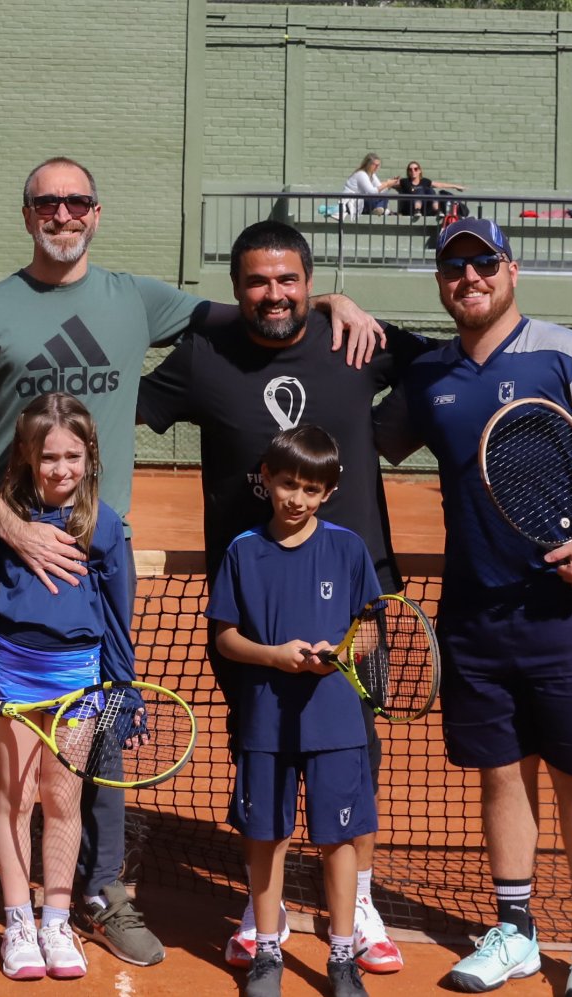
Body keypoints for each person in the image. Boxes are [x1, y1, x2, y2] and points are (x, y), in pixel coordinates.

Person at [0, 156, 382, 968]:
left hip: (92, 551)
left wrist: (330, 300)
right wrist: (13, 527)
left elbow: (254, 307)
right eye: (47, 203)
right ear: (27, 213)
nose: (62, 214)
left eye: (77, 202)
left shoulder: (136, 299)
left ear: (96, 214)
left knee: (95, 724)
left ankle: (95, 890)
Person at [374, 218, 572, 997]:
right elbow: (369, 440)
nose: (469, 276)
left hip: (571, 615)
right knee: (501, 774)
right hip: (475, 615)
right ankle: (516, 930)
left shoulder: (570, 356)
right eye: (453, 266)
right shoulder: (429, 377)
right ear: (441, 281)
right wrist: (338, 314)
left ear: (511, 268)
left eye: (483, 262)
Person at [138, 219, 432, 975]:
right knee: (259, 753)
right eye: (258, 281)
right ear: (238, 290)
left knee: (354, 756)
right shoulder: (204, 355)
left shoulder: (354, 342)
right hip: (252, 610)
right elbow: (125, 404)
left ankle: (356, 902)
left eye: (290, 280)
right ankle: (261, 906)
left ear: (310, 282)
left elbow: (442, 362)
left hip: (354, 599)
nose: (275, 293)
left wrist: (386, 425)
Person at [0, 392, 131, 982]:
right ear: (27, 456)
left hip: (78, 684)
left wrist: (123, 688)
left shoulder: (104, 526)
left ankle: (55, 919)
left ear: (90, 457)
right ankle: (19, 924)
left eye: (72, 457)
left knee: (63, 800)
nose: (61, 469)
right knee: (16, 797)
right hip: (13, 681)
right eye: (49, 456)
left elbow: (117, 617)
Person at [207, 426, 380, 997]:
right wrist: (274, 656)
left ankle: (343, 955)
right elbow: (226, 638)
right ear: (266, 479)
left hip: (336, 724)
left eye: (311, 490)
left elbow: (370, 630)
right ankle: (266, 950)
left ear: (329, 492)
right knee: (266, 836)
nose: (297, 499)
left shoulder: (348, 548)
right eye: (287, 485)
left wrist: (343, 653)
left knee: (339, 840)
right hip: (265, 722)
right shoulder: (242, 550)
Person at [394, 162, 464, 218]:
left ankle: (437, 211)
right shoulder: (405, 181)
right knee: (420, 190)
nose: (413, 171)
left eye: (415, 169)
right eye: (410, 169)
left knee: (430, 190)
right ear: (408, 172)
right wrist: (394, 181)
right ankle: (417, 210)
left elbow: (439, 185)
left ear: (419, 171)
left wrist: (455, 186)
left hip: (425, 209)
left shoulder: (425, 181)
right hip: (410, 209)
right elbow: (391, 185)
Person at [339, 154, 398, 219]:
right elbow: (371, 192)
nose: (377, 167)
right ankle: (381, 209)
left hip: (361, 202)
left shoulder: (372, 175)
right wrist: (387, 183)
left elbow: (380, 190)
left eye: (378, 165)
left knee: (385, 196)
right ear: (368, 164)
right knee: (376, 198)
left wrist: (390, 185)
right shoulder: (361, 174)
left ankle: (379, 209)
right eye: (375, 165)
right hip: (352, 204)